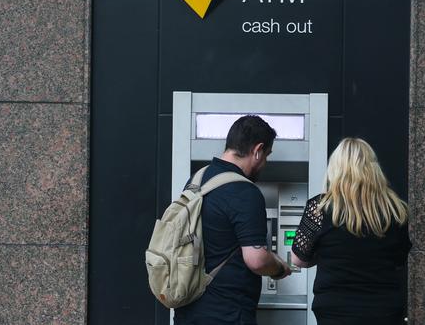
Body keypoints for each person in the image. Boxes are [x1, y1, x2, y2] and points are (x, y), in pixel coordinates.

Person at [175, 115, 292, 325]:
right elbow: (256, 259)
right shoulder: (245, 192)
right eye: (267, 155)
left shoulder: (196, 181)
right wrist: (279, 267)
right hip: (227, 314)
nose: (265, 162)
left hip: (189, 312)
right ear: (257, 150)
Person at [292, 137, 411, 325]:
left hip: (334, 310)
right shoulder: (395, 210)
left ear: (335, 168)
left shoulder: (319, 208)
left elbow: (298, 259)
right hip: (383, 310)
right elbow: (399, 258)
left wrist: (324, 255)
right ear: (373, 168)